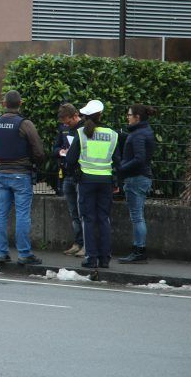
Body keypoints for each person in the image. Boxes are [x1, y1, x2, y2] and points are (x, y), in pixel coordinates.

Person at [0, 90, 45, 265]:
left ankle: (1, 252)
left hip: (2, 173)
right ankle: (24, 253)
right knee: (22, 215)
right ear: (20, 103)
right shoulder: (24, 124)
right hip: (21, 174)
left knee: (0, 214)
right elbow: (38, 151)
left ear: (4, 104)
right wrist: (36, 163)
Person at [65, 99, 121, 269]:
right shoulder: (113, 134)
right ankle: (105, 259)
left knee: (88, 220)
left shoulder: (81, 133)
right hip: (105, 182)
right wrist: (116, 181)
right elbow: (118, 160)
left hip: (86, 182)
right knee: (104, 219)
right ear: (101, 115)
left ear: (85, 116)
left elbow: (70, 159)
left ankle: (91, 257)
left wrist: (76, 172)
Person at [117, 104, 156, 264]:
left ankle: (139, 250)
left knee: (137, 216)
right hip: (141, 177)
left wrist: (121, 168)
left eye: (129, 114)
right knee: (138, 215)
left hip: (136, 178)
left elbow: (139, 158)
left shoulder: (138, 134)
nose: (127, 117)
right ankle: (139, 249)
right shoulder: (144, 131)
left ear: (137, 117)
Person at [53, 103, 85, 257]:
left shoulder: (85, 128)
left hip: (81, 175)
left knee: (83, 213)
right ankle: (78, 243)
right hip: (67, 175)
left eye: (68, 122)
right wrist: (60, 151)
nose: (66, 125)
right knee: (74, 213)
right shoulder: (63, 129)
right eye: (64, 123)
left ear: (75, 116)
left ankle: (85, 244)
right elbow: (54, 148)